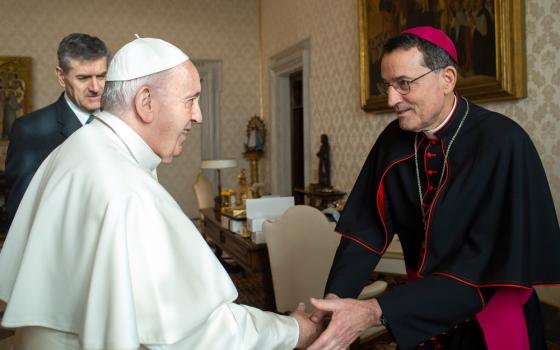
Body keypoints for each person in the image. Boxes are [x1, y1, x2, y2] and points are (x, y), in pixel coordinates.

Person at [0, 37, 320, 349]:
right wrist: (293, 330)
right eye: (190, 100)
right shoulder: (127, 190)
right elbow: (199, 334)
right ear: (146, 102)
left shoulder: (82, 147)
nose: (198, 115)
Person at [309, 26, 560, 350]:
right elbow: (365, 231)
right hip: (416, 316)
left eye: (403, 84)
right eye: (387, 85)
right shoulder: (392, 141)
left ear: (447, 79)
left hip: (488, 319)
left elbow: (484, 264)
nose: (391, 99)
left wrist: (377, 310)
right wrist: (335, 300)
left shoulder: (504, 142)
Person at [3, 33, 109, 231]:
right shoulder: (30, 130)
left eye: (101, 76)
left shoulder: (120, 122)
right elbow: (21, 214)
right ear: (61, 76)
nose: (96, 88)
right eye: (83, 78)